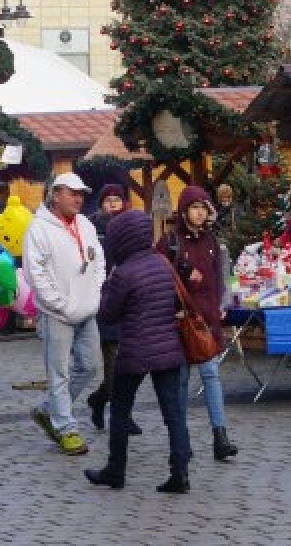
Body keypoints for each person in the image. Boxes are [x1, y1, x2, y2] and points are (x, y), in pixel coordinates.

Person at [85, 209, 193, 494]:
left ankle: (115, 470)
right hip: (168, 347)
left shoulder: (123, 273)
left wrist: (107, 286)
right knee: (174, 414)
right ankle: (180, 472)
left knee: (120, 411)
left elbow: (107, 314)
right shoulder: (162, 263)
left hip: (134, 349)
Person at [22, 172, 106, 457]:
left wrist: (94, 293)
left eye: (81, 193)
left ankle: (49, 411)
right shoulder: (39, 228)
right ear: (55, 195)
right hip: (56, 313)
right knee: (58, 373)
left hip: (87, 309)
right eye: (72, 193)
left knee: (91, 366)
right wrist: (58, 304)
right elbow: (36, 273)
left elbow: (98, 261)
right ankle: (66, 428)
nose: (78, 198)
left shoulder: (85, 224)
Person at [163, 185, 238, 461]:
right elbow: (161, 275)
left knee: (211, 376)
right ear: (184, 211)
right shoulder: (171, 242)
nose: (199, 213)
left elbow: (220, 277)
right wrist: (182, 270)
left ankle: (220, 436)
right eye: (194, 207)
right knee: (181, 381)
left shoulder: (211, 242)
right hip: (181, 321)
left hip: (207, 322)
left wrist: (222, 305)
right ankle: (182, 441)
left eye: (203, 208)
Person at [85, 185, 138, 436]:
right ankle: (123, 417)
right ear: (101, 205)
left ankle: (99, 399)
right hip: (106, 304)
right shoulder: (93, 231)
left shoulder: (132, 229)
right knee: (115, 366)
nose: (113, 205)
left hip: (131, 305)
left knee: (133, 367)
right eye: (108, 201)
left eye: (117, 200)